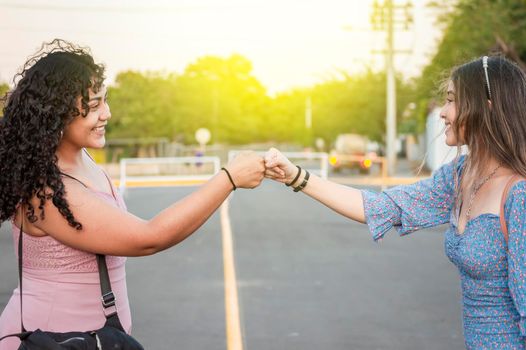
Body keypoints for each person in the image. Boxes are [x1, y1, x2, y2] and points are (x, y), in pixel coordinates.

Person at [0, 39, 265, 349]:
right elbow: (147, 237)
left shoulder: (84, 161)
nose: (107, 113)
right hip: (49, 340)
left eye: (105, 100)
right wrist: (228, 179)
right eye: (95, 104)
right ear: (58, 111)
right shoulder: (44, 189)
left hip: (92, 340)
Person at [264, 55, 526, 349]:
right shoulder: (459, 176)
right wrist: (295, 176)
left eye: (451, 100)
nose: (443, 112)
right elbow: (380, 208)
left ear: (485, 108)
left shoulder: (519, 195)